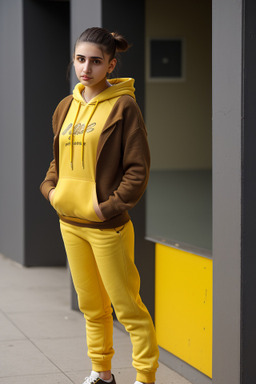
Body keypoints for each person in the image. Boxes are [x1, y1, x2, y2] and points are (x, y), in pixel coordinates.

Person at [40, 27, 159, 384]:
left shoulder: (125, 106)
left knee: (127, 308)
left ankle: (145, 376)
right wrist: (50, 190)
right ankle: (102, 373)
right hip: (69, 222)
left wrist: (109, 207)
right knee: (92, 306)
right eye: (80, 59)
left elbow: (137, 169)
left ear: (111, 64)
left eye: (95, 61)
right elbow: (58, 160)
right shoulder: (65, 106)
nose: (86, 68)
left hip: (107, 226)